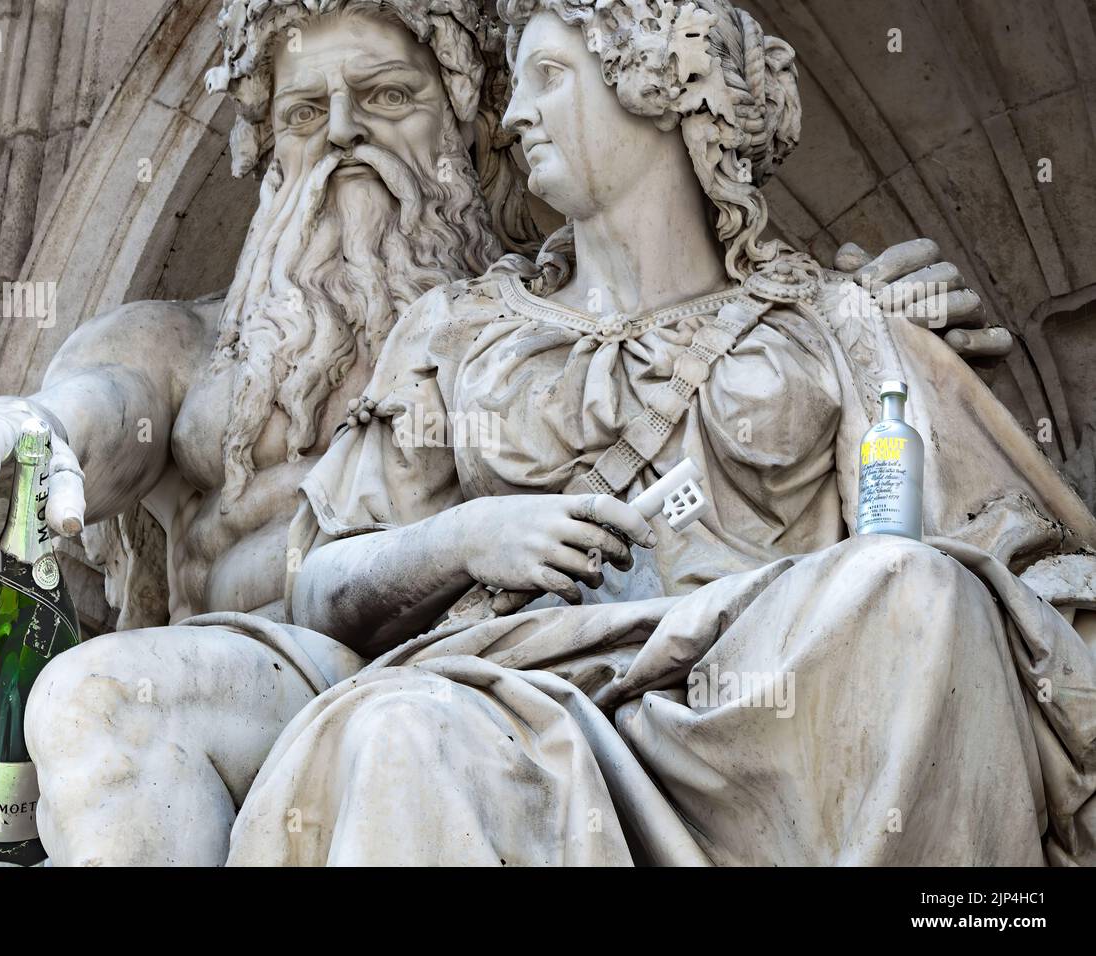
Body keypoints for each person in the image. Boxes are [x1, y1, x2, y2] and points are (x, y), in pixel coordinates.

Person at [218, 0, 1096, 865]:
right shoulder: (461, 332)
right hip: (534, 706)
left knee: (915, 585)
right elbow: (319, 586)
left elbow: (1008, 550)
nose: (514, 116)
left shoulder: (837, 325)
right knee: (402, 725)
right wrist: (465, 540)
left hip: (784, 697)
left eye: (550, 78)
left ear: (661, 89)